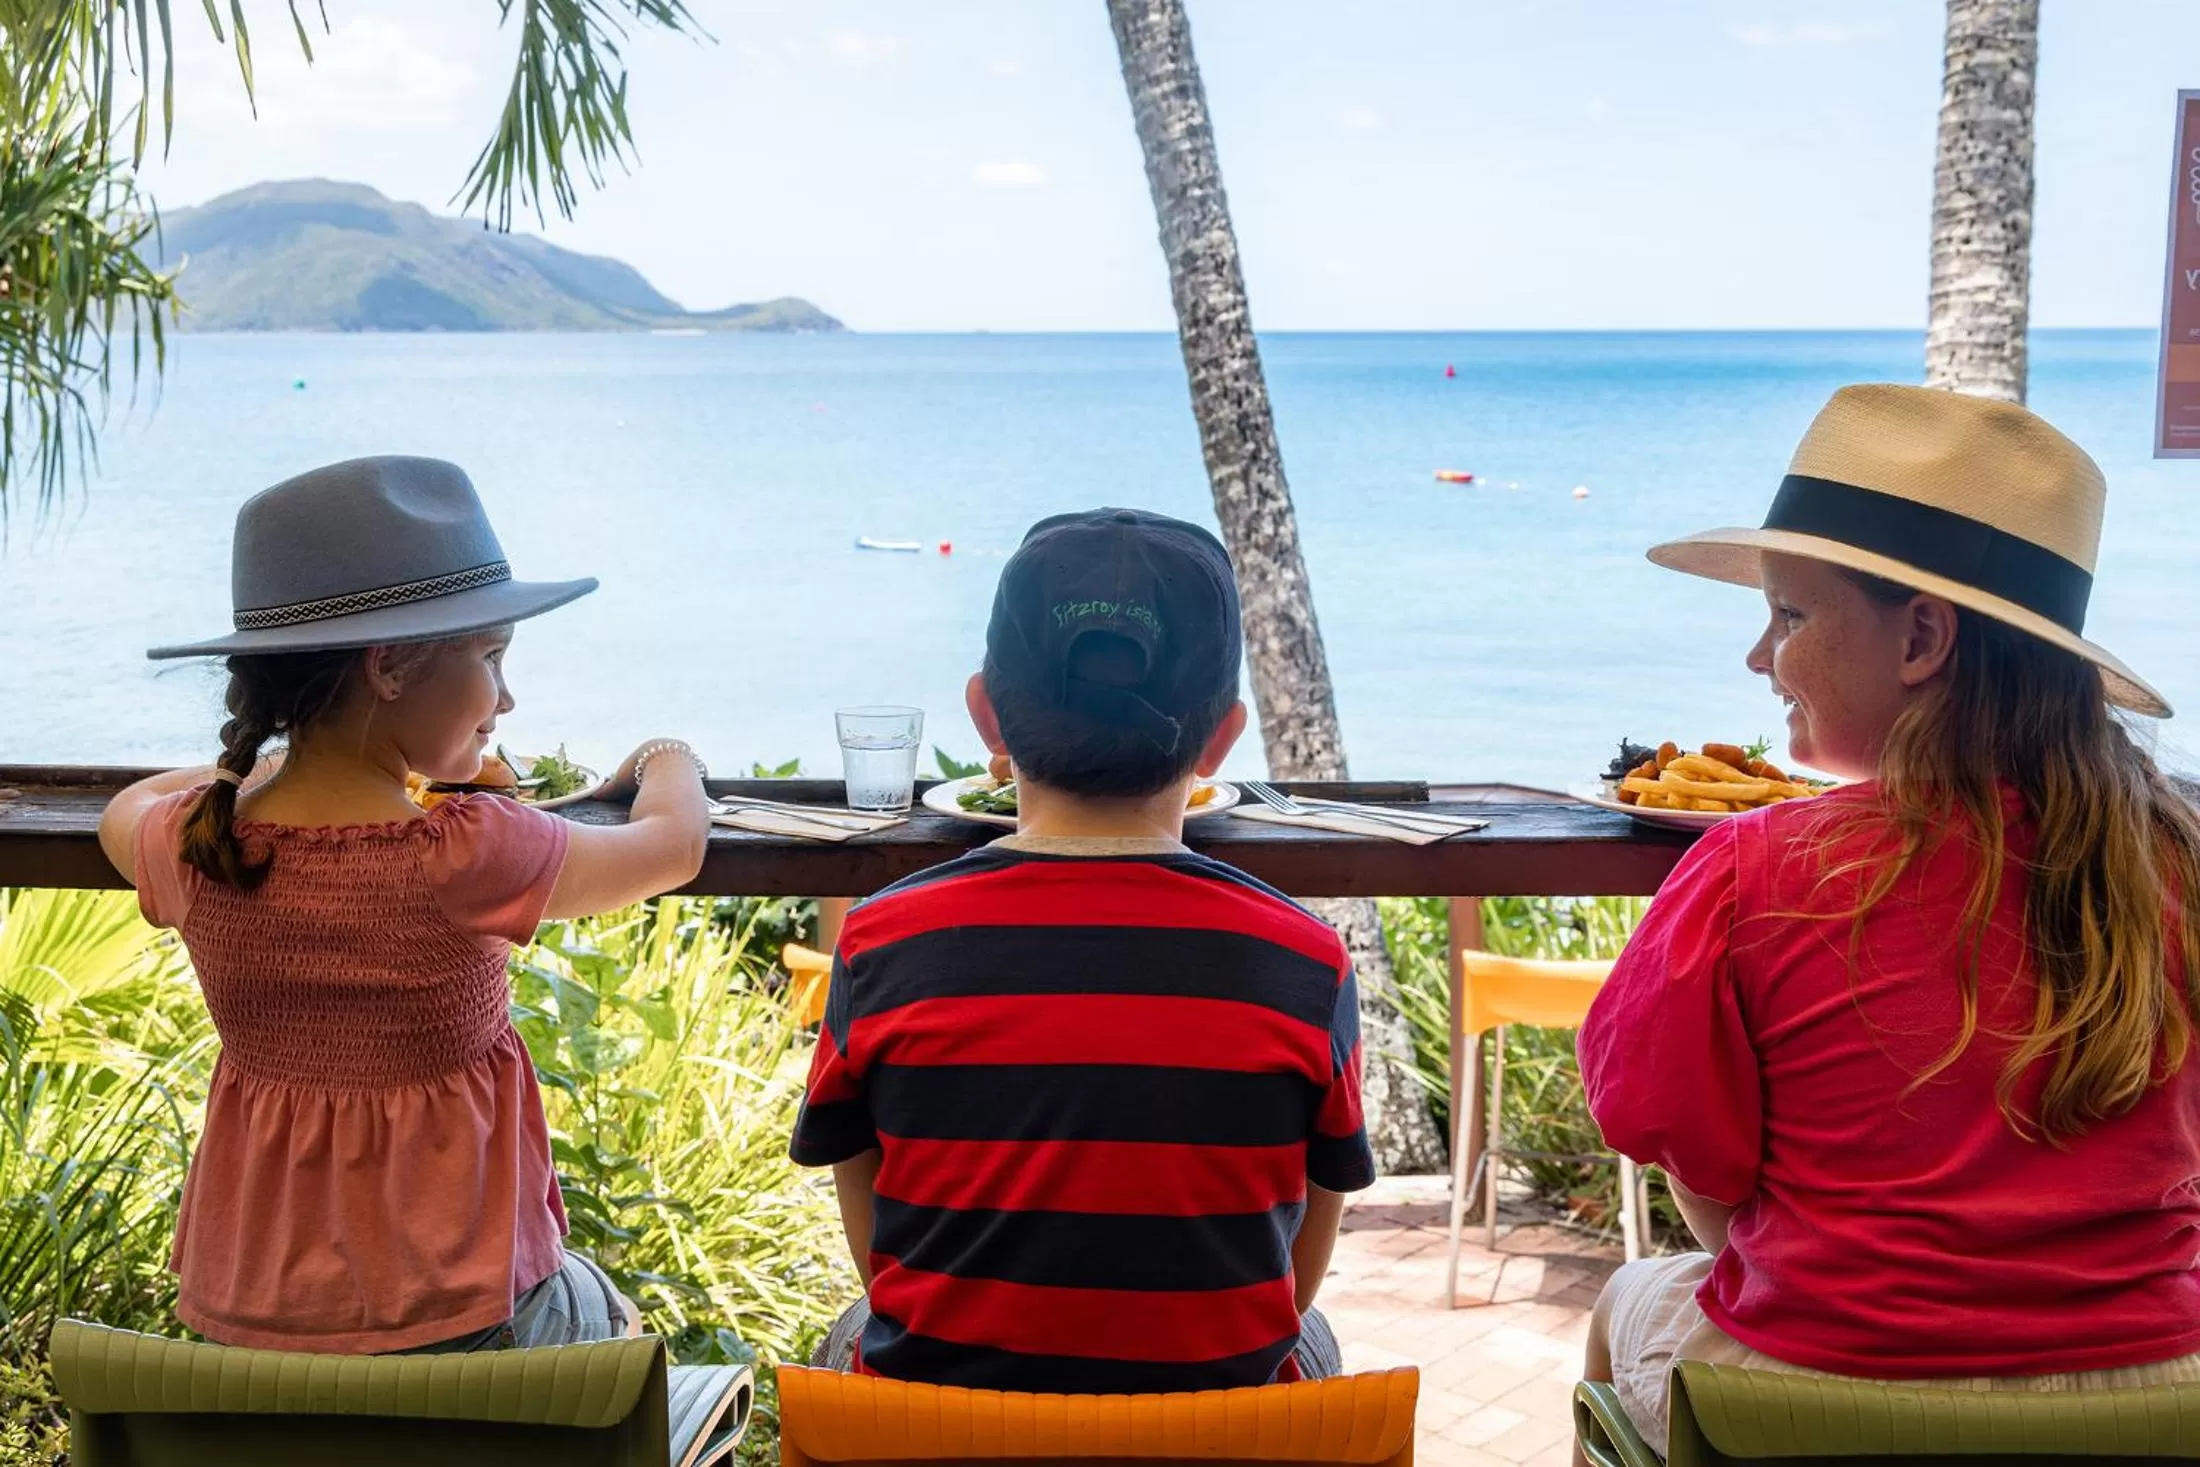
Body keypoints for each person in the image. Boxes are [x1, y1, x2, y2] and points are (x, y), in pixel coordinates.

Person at [1576, 384, 2200, 1457]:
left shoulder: (1749, 868)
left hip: (1818, 1391)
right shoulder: (2177, 859)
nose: (1758, 658)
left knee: (1629, 1299)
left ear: (1921, 638)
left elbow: (1692, 1161)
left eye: (1788, 616)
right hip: (2153, 1390)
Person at [97, 456, 712, 1355]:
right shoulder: (465, 848)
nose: (505, 698)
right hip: (468, 1322)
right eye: (493, 658)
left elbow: (124, 811)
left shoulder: (197, 843)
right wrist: (669, 755)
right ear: (388, 668)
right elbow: (674, 848)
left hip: (258, 1334)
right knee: (611, 1321)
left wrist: (263, 767)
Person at [790, 508, 1376, 1391]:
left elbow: (875, 1243)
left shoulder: (883, 940)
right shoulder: (1304, 959)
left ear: (987, 715)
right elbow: (1299, 1267)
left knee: (852, 1329)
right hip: (1212, 1438)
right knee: (1314, 1339)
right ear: (1221, 735)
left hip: (946, 1435)